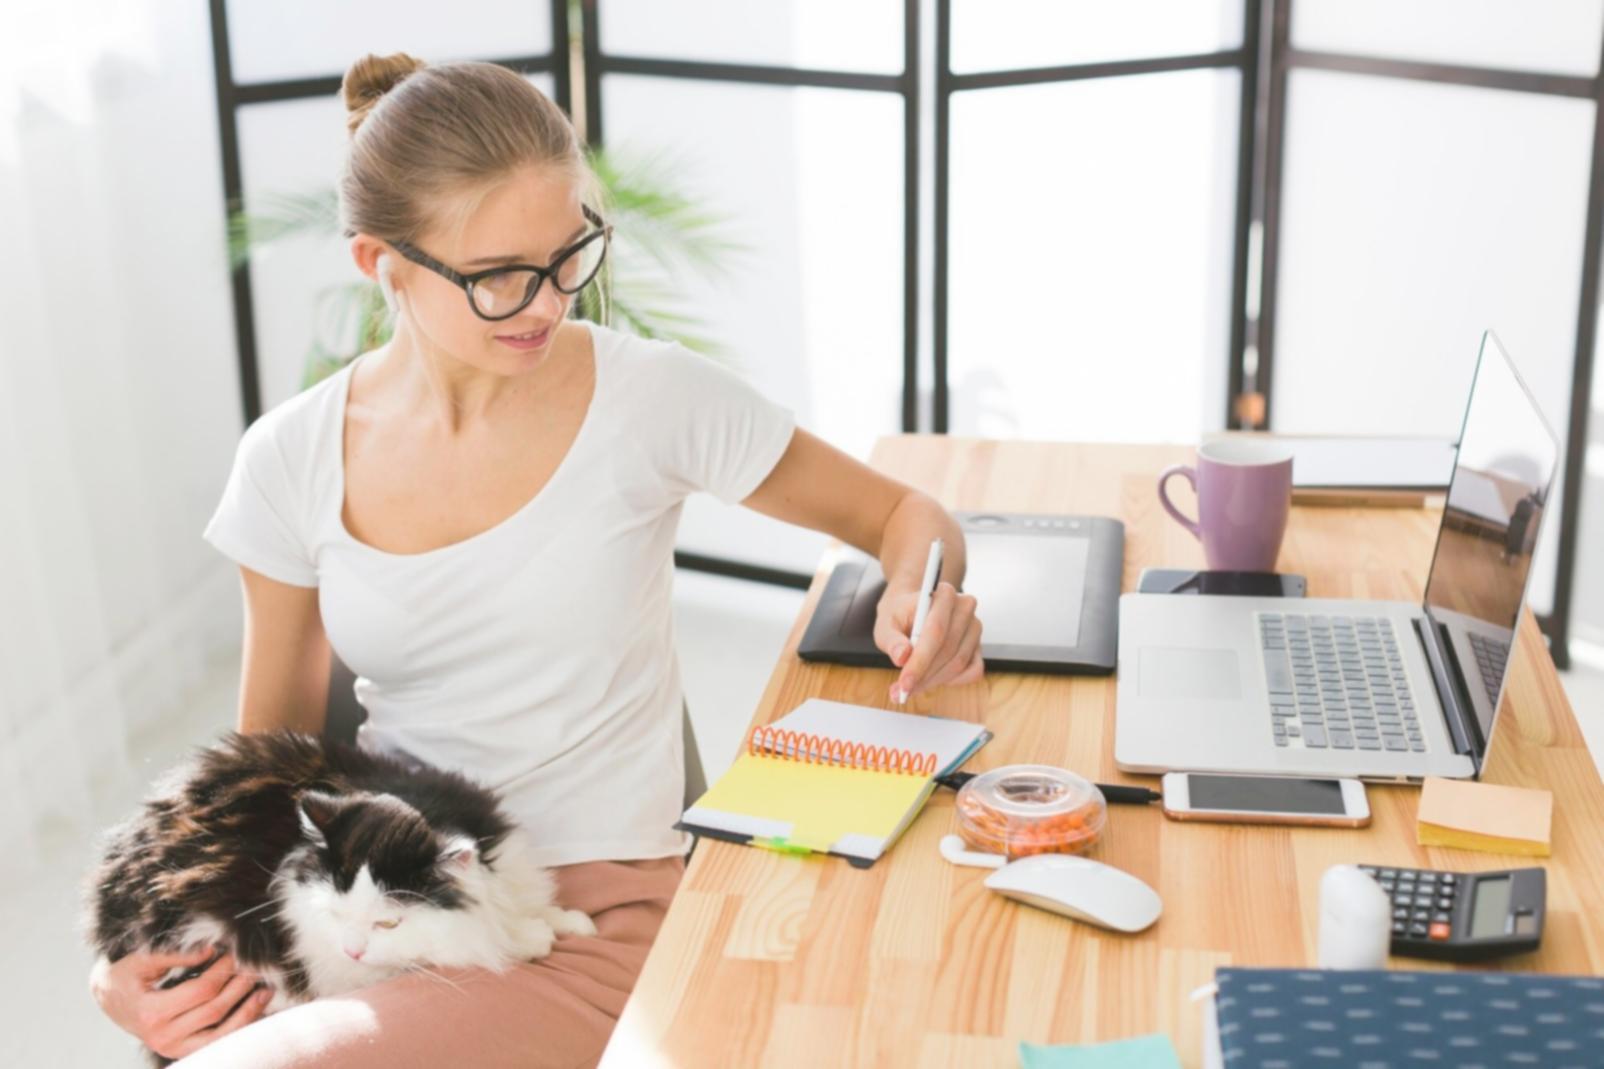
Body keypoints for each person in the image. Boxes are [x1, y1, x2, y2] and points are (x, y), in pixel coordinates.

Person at [88, 52, 984, 1067]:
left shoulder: (647, 399)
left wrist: (921, 590)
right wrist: (124, 960)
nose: (547, 303)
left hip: (583, 921)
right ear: (379, 263)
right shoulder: (290, 459)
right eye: (498, 276)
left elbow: (907, 514)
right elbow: (260, 778)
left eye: (568, 256)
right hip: (372, 915)